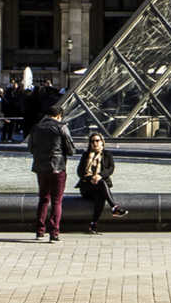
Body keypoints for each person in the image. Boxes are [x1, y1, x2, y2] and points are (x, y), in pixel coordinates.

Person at [28, 100, 78, 242]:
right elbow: (70, 149)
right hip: (57, 167)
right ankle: (54, 233)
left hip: (40, 168)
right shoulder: (62, 127)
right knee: (57, 201)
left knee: (43, 199)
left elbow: (30, 148)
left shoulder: (36, 127)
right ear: (58, 116)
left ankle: (39, 231)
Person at [76, 131, 128, 231]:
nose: (95, 143)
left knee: (100, 195)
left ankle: (93, 224)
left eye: (97, 140)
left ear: (102, 142)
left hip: (100, 187)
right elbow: (79, 172)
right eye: (92, 141)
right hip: (87, 187)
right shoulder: (85, 155)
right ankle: (114, 208)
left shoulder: (107, 154)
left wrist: (99, 175)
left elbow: (111, 169)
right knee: (101, 184)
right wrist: (91, 178)